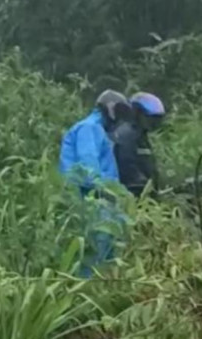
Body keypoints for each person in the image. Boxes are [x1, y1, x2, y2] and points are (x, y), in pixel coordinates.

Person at [59, 90, 131, 277]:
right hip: (92, 202)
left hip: (101, 202)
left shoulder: (97, 129)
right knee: (93, 253)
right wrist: (103, 192)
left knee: (107, 253)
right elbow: (88, 166)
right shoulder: (89, 128)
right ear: (110, 110)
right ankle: (86, 294)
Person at [112, 92, 166, 198]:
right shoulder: (126, 135)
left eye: (156, 120)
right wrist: (143, 186)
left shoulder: (141, 135)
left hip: (144, 195)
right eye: (149, 119)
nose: (153, 124)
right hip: (130, 195)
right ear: (136, 113)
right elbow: (127, 167)